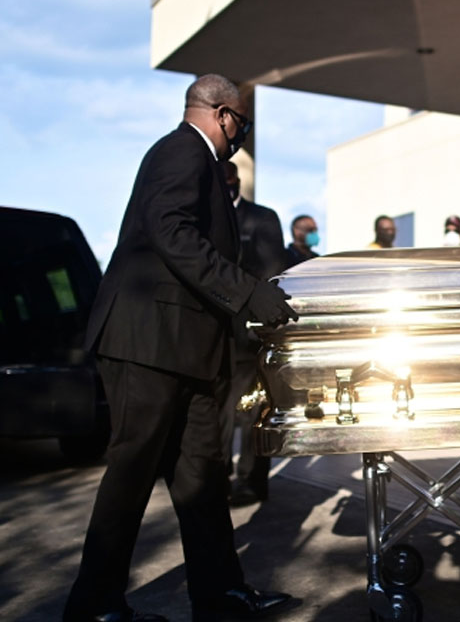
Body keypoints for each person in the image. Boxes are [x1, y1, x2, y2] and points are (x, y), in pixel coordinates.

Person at [64, 74, 301, 622]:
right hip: (147, 342)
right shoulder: (180, 151)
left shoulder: (199, 162)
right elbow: (171, 230)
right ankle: (94, 606)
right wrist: (246, 291)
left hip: (185, 348)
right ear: (222, 115)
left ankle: (220, 596)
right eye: (241, 124)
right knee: (132, 473)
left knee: (201, 476)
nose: (241, 135)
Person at [219, 161, 287, 507]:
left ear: (237, 181)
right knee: (216, 410)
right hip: (213, 333)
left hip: (246, 333)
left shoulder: (261, 218)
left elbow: (273, 271)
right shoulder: (205, 218)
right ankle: (217, 478)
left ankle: (250, 480)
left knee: (250, 408)